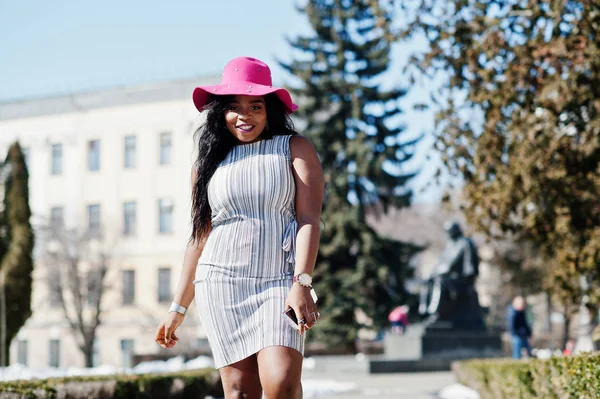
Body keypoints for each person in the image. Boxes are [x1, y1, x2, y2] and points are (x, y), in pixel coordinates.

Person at [154, 56, 324, 398]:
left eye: (255, 107)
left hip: (279, 283)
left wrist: (302, 282)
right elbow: (200, 237)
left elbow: (309, 220)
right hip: (222, 285)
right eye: (234, 107)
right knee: (240, 392)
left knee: (282, 382)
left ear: (270, 110)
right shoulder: (208, 166)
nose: (244, 117)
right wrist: (178, 307)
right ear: (221, 112)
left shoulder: (295, 149)